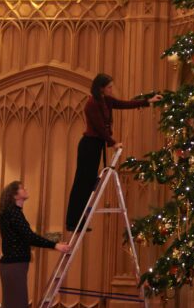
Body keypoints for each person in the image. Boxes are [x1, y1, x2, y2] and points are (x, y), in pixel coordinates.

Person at [65, 73, 162, 234]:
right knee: (81, 183)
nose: (112, 89)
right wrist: (113, 142)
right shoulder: (91, 104)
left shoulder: (106, 101)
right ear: (101, 88)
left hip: (97, 145)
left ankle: (80, 220)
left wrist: (147, 102)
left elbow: (124, 104)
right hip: (89, 145)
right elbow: (99, 128)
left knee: (89, 184)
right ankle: (72, 221)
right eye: (109, 87)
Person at [0, 181, 70, 308]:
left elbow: (27, 236)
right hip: (14, 267)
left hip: (12, 266)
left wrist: (53, 242)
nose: (26, 189)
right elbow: (29, 237)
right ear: (14, 195)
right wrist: (55, 246)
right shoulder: (13, 212)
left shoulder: (13, 213)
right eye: (22, 187)